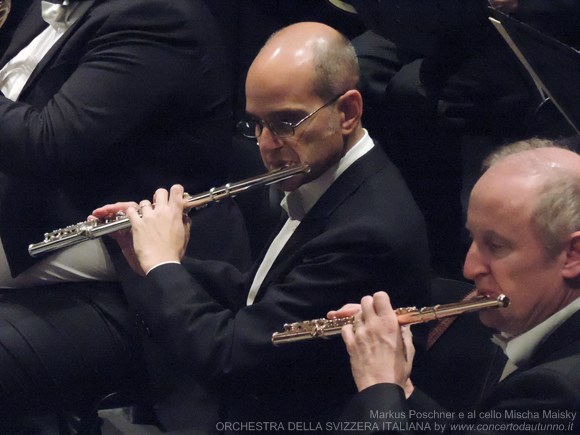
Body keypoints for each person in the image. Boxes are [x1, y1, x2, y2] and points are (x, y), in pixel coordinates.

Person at [92, 21, 431, 432]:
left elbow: (228, 358)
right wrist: (154, 258)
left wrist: (164, 267)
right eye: (257, 124)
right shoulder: (328, 178)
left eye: (286, 123)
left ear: (347, 112)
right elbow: (264, 296)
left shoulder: (368, 232)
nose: (267, 146)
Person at [0, 0, 251, 428]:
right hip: (50, 197)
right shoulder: (48, 6)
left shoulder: (157, 16)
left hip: (125, 232)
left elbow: (48, 142)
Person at [333, 141, 580, 433]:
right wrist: (401, 387)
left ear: (572, 254)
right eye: (472, 238)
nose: (469, 268)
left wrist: (378, 385)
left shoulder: (556, 392)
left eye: (496, 245)